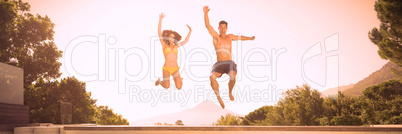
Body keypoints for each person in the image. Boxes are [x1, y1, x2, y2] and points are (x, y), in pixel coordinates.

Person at [203, 6, 255, 109]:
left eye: (224, 28)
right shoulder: (216, 37)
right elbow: (208, 26)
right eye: (220, 27)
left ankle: (230, 92)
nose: (222, 29)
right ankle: (219, 98)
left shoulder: (230, 37)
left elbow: (240, 38)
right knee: (212, 78)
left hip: (229, 63)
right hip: (219, 64)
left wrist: (249, 38)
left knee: (233, 76)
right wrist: (205, 13)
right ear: (218, 28)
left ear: (226, 28)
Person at [155, 13, 192, 89]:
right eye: (170, 37)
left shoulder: (176, 46)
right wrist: (160, 19)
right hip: (166, 68)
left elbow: (186, 41)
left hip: (175, 69)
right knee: (167, 86)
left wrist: (190, 31)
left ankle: (179, 79)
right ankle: (160, 82)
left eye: (173, 37)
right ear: (168, 37)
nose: (172, 39)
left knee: (179, 87)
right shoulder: (164, 45)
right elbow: (159, 33)